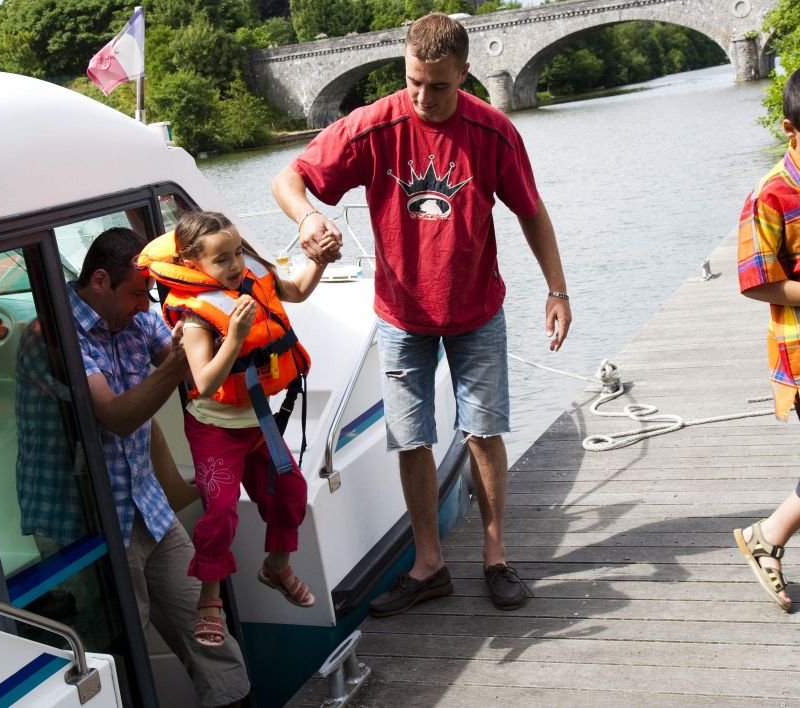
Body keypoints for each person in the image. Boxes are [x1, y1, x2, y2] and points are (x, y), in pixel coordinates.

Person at [271, 12, 571, 616]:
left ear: (465, 72)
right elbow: (289, 177)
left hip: (477, 309)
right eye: (414, 82)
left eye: (439, 85)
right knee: (410, 438)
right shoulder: (372, 126)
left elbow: (531, 212)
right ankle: (429, 564)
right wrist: (307, 219)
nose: (424, 97)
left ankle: (495, 555)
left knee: (484, 431)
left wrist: (556, 290)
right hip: (402, 313)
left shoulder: (493, 133)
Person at [137, 211, 338, 647]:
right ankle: (210, 601)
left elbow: (298, 291)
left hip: (258, 424)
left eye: (237, 254)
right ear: (192, 263)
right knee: (220, 513)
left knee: (291, 492)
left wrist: (319, 261)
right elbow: (205, 382)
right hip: (215, 432)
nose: (235, 266)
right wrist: (235, 336)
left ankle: (277, 566)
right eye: (222, 260)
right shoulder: (195, 319)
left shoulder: (253, 282)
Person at [70, 227, 250, 707]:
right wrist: (175, 368)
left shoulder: (134, 318)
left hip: (147, 507)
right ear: (101, 281)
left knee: (206, 627)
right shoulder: (60, 334)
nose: (146, 306)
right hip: (92, 522)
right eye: (137, 293)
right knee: (112, 653)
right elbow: (118, 417)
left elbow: (195, 365)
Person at [734, 68, 800, 613]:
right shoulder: (771, 194)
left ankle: (766, 538)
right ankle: (766, 537)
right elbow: (758, 282)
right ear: (790, 129)